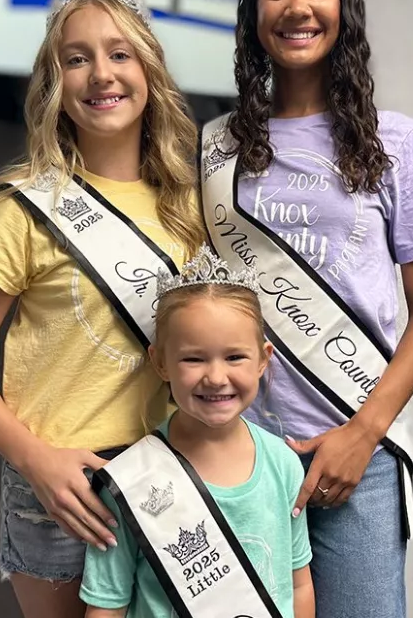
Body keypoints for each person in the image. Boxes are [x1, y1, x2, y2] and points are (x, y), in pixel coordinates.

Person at [198, 0, 413, 617]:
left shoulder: (395, 142)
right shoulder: (212, 145)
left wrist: (362, 433)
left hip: (356, 453)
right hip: (238, 452)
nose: (297, 6)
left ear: (345, 7)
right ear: (254, 14)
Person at [0, 0, 203, 618]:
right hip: (63, 487)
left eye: (119, 53)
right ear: (55, 85)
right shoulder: (24, 208)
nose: (101, 74)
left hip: (172, 476)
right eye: (76, 59)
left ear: (150, 72)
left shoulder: (192, 207)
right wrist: (36, 459)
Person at [80, 246, 314, 618]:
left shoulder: (283, 464)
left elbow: (298, 582)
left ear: (263, 359)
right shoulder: (132, 477)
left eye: (234, 357)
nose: (216, 377)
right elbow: (108, 603)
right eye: (193, 358)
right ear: (160, 362)